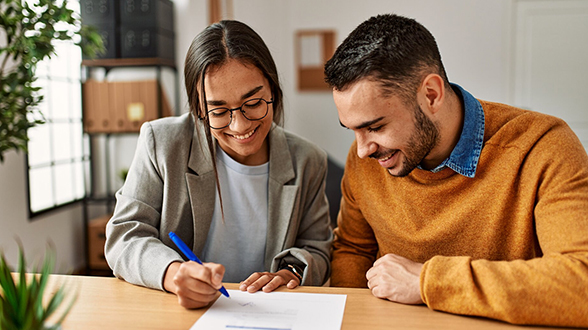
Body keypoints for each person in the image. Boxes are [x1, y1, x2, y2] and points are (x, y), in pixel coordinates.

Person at [324, 13, 588, 327]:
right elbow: (353, 249)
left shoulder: (543, 147)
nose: (363, 148)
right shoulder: (366, 158)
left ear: (431, 94)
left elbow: (580, 283)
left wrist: (427, 281)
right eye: (351, 130)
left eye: (376, 126)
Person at [105, 20, 332, 309]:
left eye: (253, 103)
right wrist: (174, 274)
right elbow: (124, 235)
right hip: (181, 312)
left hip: (269, 313)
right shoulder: (162, 143)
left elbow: (318, 248)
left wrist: (291, 272)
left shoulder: (307, 160)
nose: (240, 125)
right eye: (219, 111)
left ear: (273, 90)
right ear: (199, 110)